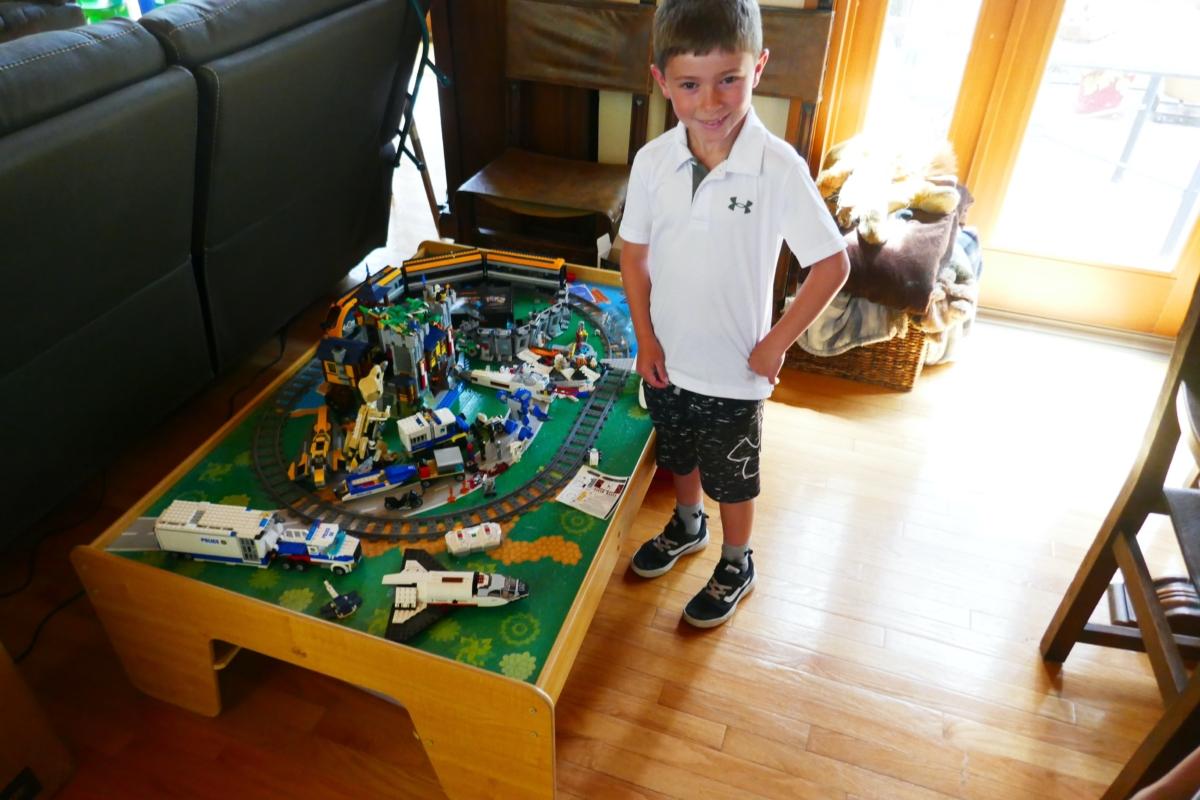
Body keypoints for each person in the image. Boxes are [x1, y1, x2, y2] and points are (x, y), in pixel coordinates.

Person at [620, 0, 851, 628]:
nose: (712, 102)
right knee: (680, 456)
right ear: (662, 81)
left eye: (730, 79)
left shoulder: (778, 168)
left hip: (736, 373)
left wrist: (776, 344)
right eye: (690, 85)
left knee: (736, 479)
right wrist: (645, 338)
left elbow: (832, 265)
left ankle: (736, 558)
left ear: (760, 68)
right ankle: (688, 525)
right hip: (667, 358)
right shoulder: (651, 163)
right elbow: (632, 255)